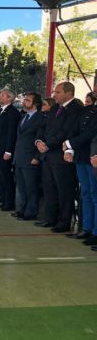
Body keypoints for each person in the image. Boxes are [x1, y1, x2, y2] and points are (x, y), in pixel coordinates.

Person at [35, 82, 83, 232]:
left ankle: (63, 221)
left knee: (64, 190)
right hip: (48, 155)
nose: (54, 95)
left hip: (61, 155)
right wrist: (39, 141)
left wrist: (48, 144)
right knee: (49, 188)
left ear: (69, 93)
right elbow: (43, 126)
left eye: (58, 92)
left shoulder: (76, 108)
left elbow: (67, 131)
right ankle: (50, 218)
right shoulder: (55, 108)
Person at [63, 91, 97, 243]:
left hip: (93, 156)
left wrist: (70, 144)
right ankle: (87, 228)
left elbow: (92, 133)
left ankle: (95, 232)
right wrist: (69, 148)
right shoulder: (88, 110)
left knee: (94, 195)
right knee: (86, 193)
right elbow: (75, 129)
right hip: (82, 156)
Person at [13, 92, 46, 221]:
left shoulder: (40, 118)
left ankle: (31, 211)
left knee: (31, 186)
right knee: (21, 186)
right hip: (20, 156)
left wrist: (37, 157)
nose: (24, 102)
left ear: (35, 103)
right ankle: (22, 208)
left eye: (28, 100)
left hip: (31, 157)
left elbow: (40, 138)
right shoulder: (24, 117)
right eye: (24, 99)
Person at [0, 88, 21, 211]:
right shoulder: (0, 111)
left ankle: (8, 202)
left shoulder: (13, 113)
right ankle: (2, 199)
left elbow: (11, 133)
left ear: (9, 98)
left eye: (2, 95)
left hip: (4, 151)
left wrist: (8, 151)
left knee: (5, 177)